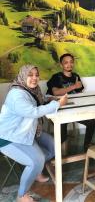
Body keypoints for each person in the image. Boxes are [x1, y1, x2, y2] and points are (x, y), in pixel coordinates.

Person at [0, 65, 67, 202]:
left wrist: (51, 99)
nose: (35, 78)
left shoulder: (31, 90)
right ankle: (21, 195)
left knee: (55, 147)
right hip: (10, 137)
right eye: (30, 75)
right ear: (23, 75)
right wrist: (57, 104)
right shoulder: (17, 94)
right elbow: (32, 112)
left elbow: (39, 101)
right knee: (37, 160)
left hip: (26, 131)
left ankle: (36, 171)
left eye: (36, 75)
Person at [47, 53, 95, 152]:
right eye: (66, 62)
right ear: (61, 65)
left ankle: (87, 146)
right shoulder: (56, 77)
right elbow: (55, 92)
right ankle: (60, 153)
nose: (69, 65)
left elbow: (79, 93)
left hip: (73, 109)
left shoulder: (76, 76)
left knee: (92, 122)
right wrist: (74, 86)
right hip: (59, 109)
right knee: (62, 124)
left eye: (71, 62)